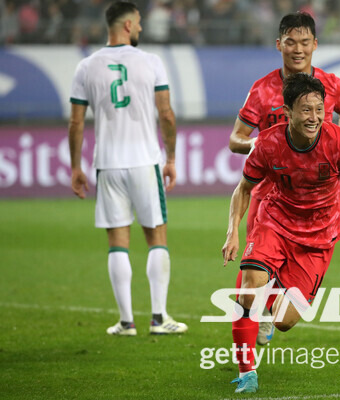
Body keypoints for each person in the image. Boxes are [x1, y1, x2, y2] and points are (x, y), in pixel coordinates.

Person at [222, 73, 340, 393]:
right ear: (288, 112)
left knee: (284, 322)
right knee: (248, 290)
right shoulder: (267, 143)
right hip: (274, 222)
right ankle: (246, 373)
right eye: (306, 110)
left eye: (320, 110)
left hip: (318, 238)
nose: (314, 117)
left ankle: (271, 300)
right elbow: (243, 189)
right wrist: (233, 231)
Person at [228, 11, 340, 346]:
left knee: (282, 306)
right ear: (279, 45)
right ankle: (247, 349)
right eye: (290, 42)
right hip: (271, 194)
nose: (297, 49)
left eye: (304, 42)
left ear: (315, 44)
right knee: (252, 277)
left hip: (316, 199)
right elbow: (235, 139)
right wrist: (263, 145)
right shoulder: (261, 90)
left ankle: (269, 310)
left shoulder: (329, 85)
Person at [68, 1, 187, 336]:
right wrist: (172, 158)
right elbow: (166, 114)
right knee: (156, 238)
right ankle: (159, 318)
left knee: (117, 242)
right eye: (138, 24)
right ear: (128, 24)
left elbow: (76, 122)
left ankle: (125, 322)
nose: (141, 29)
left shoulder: (87, 66)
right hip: (144, 161)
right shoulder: (150, 62)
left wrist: (76, 166)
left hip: (107, 163)